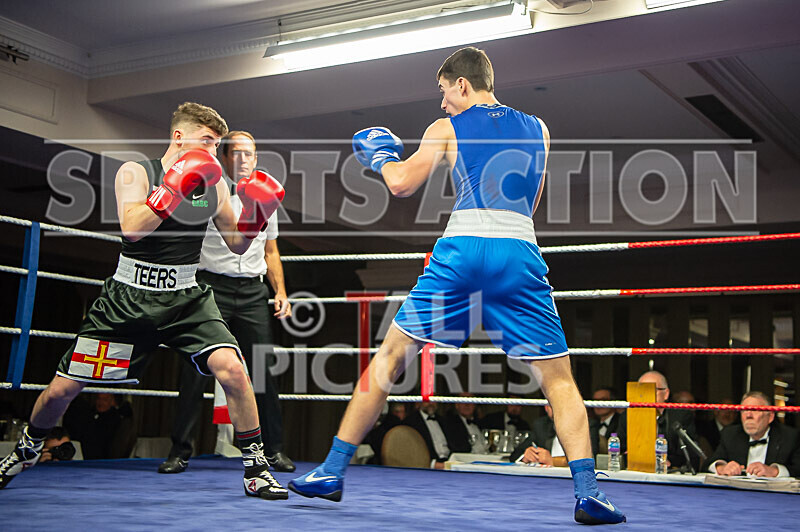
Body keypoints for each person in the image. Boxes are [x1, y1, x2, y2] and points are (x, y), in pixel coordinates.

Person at [289, 47, 625, 524]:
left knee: (389, 358)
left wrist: (382, 159)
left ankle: (332, 471)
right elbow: (532, 203)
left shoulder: (445, 128)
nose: (442, 103)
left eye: (444, 92)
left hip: (464, 247)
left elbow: (403, 184)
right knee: (559, 380)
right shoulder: (540, 129)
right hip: (518, 249)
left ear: (462, 85)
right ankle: (590, 494)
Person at [0, 102, 288, 500]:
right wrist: (174, 187)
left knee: (234, 370)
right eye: (207, 141)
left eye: (216, 143)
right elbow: (133, 229)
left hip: (186, 298)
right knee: (62, 391)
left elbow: (237, 245)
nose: (213, 150)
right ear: (178, 137)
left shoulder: (216, 185)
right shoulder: (136, 172)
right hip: (128, 299)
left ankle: (256, 469)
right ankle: (28, 448)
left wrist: (257, 214)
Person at [159, 130, 294, 475]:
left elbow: (272, 251)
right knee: (195, 371)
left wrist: (280, 291)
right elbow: (184, 221)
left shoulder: (266, 198)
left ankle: (273, 451)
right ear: (226, 158)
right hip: (210, 289)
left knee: (263, 372)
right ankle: (180, 451)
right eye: (238, 154)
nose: (245, 160)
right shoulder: (208, 194)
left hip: (252, 292)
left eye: (251, 154)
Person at [703, 391, 800, 477]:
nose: (748, 415)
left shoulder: (789, 436)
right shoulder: (730, 434)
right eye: (744, 410)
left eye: (754, 410)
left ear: (770, 417)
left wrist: (775, 471)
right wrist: (722, 468)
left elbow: (797, 468)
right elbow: (709, 463)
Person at [617, 370, 699, 471]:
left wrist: (667, 461)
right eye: (642, 391)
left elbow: (690, 455)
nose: (646, 395)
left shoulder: (681, 416)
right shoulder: (627, 416)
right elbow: (619, 449)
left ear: (666, 394)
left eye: (652, 390)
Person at [589, 387, 621, 455]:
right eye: (595, 401)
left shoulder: (621, 422)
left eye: (603, 400)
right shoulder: (591, 424)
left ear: (613, 402)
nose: (599, 404)